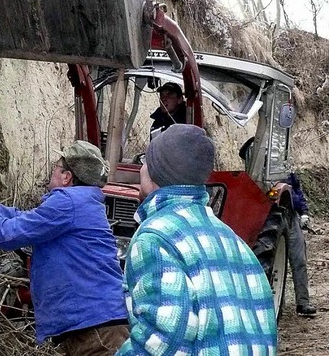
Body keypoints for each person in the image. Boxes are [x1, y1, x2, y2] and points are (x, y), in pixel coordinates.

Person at [0, 140, 129, 355]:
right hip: (95, 325)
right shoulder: (79, 203)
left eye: (56, 167)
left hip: (96, 330)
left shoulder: (68, 202)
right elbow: (23, 218)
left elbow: (16, 231)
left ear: (66, 177)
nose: (52, 172)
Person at [116, 124, 277, 355]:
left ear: (155, 172)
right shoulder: (233, 240)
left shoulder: (155, 239)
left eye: (145, 162)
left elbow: (162, 340)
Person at [287, 172, 317, 317]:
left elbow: (297, 191)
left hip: (291, 215)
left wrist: (304, 212)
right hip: (268, 214)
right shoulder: (259, 167)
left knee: (299, 259)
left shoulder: (288, 173)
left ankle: (303, 302)